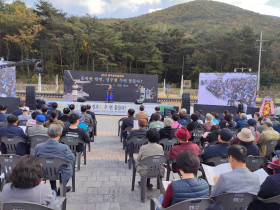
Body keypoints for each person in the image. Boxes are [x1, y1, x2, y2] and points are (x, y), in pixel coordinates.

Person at [34, 124, 75, 194]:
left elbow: (34, 159)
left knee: (49, 164)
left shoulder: (38, 147)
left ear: (47, 133)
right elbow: (72, 159)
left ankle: (53, 187)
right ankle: (62, 187)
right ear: (60, 134)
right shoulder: (64, 147)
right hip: (61, 173)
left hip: (44, 172)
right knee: (65, 165)